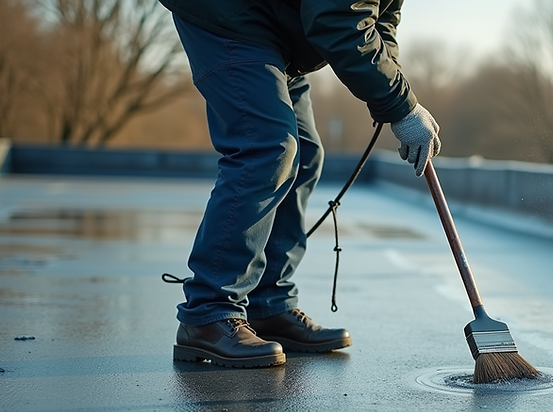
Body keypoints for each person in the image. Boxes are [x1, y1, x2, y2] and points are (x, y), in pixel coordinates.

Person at [158, 0, 441, 368]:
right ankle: (208, 313)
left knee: (305, 154)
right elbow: (336, 20)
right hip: (229, 15)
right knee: (267, 146)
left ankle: (268, 305)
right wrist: (400, 104)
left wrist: (397, 94)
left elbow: (381, 21)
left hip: (277, 29)